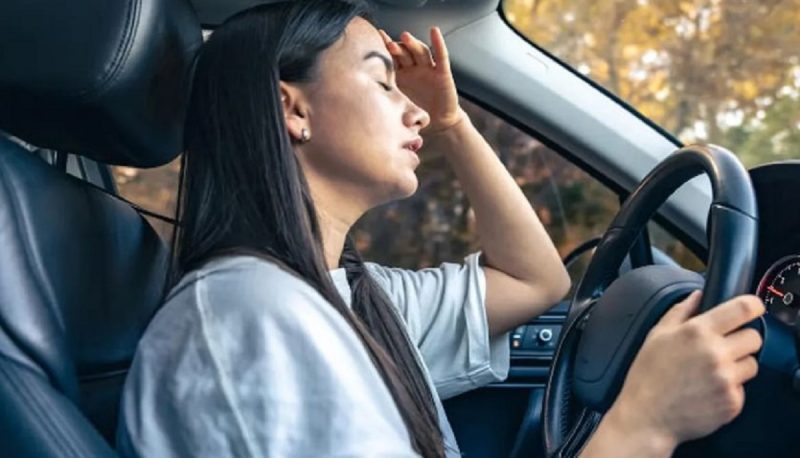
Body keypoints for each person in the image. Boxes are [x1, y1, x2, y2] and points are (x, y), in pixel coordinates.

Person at [116, 1, 765, 457]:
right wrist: (645, 424)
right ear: (292, 107)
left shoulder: (354, 297)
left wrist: (454, 123)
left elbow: (532, 279)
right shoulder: (249, 316)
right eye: (382, 79)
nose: (416, 113)